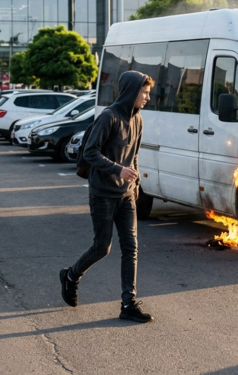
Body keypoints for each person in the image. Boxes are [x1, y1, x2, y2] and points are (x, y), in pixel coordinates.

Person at [59, 70, 155, 324]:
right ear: (131, 92)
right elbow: (90, 152)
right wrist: (117, 169)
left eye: (148, 93)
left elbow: (133, 154)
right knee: (102, 247)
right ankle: (70, 276)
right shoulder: (109, 117)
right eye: (144, 92)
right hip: (102, 193)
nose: (147, 97)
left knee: (131, 248)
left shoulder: (139, 120)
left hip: (126, 196)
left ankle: (128, 303)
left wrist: (135, 181)